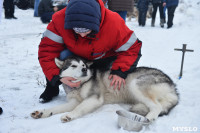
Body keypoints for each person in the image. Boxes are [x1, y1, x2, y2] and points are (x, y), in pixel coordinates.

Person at [38, 0, 142, 103]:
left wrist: (120, 71)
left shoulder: (113, 22)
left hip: (104, 57)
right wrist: (57, 76)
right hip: (77, 56)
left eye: (86, 30)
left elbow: (131, 48)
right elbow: (47, 51)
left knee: (110, 82)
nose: (82, 35)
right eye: (77, 31)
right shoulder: (59, 19)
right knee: (63, 55)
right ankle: (51, 88)